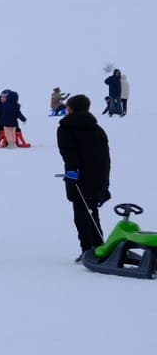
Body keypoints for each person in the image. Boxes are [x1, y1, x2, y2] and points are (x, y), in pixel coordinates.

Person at [57, 94, 111, 262]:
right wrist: (105, 181)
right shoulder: (97, 128)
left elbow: (69, 153)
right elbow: (105, 157)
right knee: (92, 211)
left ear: (70, 109)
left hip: (79, 176)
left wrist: (72, 172)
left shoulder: (66, 128)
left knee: (82, 213)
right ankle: (99, 246)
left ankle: (87, 249)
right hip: (98, 175)